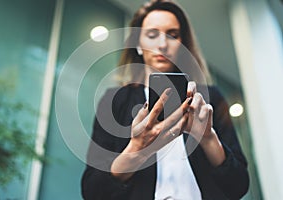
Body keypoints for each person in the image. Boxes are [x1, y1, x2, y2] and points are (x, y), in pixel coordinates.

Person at [81, 0, 249, 199]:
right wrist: (137, 149)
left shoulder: (209, 98)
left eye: (173, 35)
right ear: (138, 44)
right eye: (152, 35)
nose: (162, 44)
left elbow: (239, 185)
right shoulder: (115, 101)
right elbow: (92, 191)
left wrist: (207, 138)